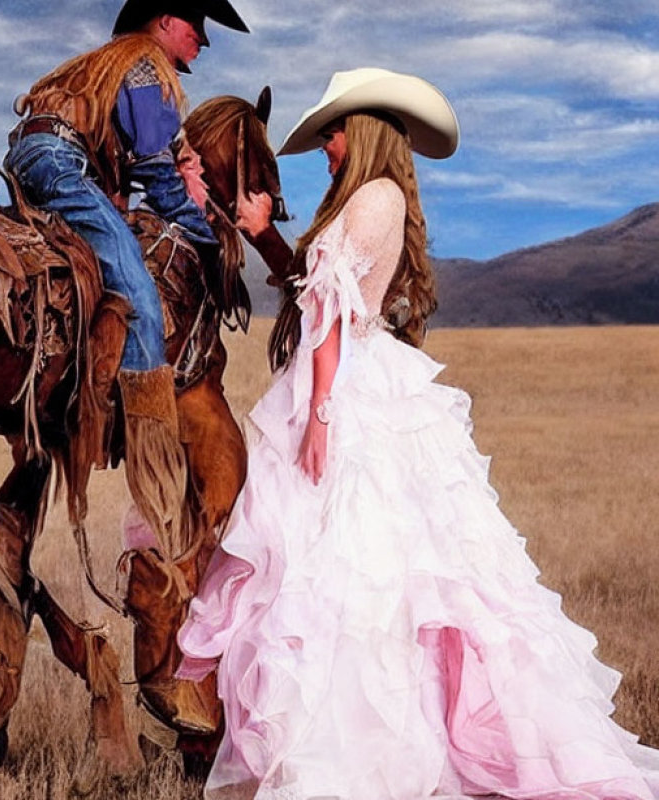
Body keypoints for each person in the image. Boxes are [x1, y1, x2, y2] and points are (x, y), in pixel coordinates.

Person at [176, 67, 659, 800]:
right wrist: (261, 232)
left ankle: (359, 747)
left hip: (348, 389)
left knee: (349, 568)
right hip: (344, 377)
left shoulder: (376, 197)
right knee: (346, 569)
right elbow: (314, 288)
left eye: (334, 133)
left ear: (364, 130)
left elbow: (332, 312)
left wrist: (323, 415)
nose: (328, 148)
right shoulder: (369, 199)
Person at [4, 0, 248, 557]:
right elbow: (158, 174)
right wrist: (207, 232)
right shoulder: (145, 65)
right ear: (164, 21)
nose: (203, 41)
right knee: (132, 277)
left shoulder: (108, 63)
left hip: (34, 152)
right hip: (59, 159)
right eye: (196, 26)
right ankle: (151, 439)